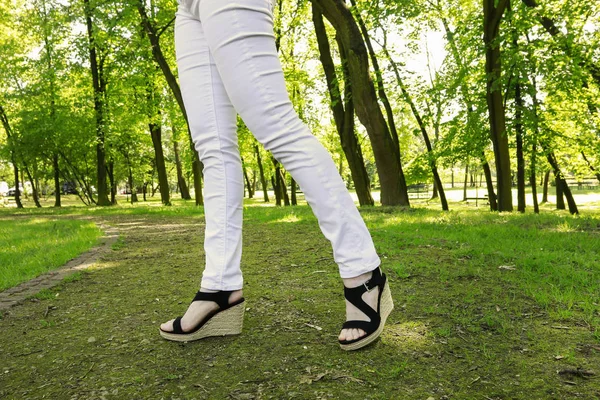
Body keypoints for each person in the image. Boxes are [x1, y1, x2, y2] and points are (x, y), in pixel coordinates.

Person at [159, 0, 393, 351]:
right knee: (213, 151)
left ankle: (363, 273)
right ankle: (220, 285)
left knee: (277, 124)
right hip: (187, 8)